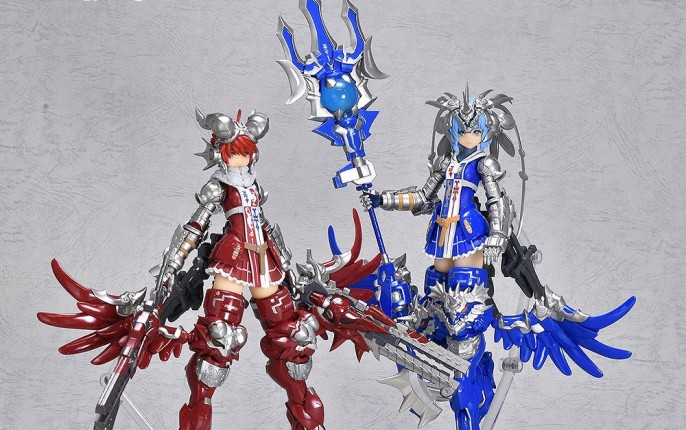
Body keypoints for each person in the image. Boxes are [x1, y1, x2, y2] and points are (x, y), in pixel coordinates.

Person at [156, 108, 323, 430]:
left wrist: (286, 263)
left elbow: (265, 225)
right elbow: (196, 225)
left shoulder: (254, 186)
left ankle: (305, 416)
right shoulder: (219, 186)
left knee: (292, 337)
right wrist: (174, 262)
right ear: (221, 153)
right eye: (234, 153)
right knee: (220, 337)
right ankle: (199, 411)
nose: (240, 159)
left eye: (246, 153)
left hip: (262, 257)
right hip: (232, 257)